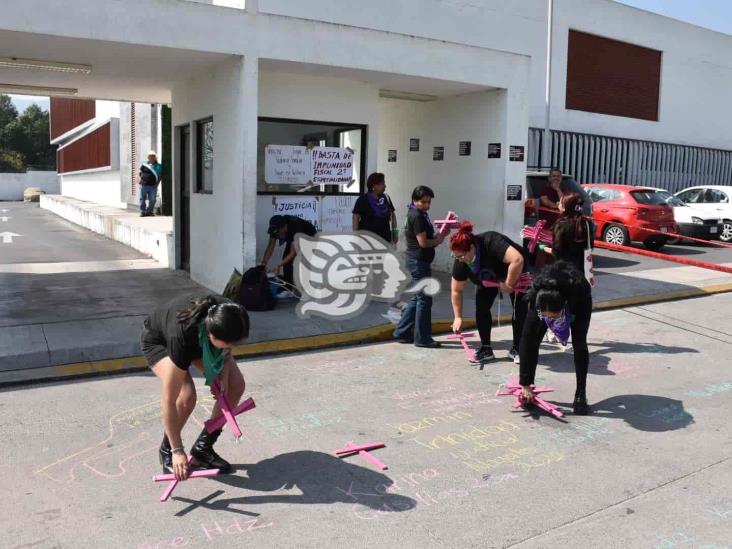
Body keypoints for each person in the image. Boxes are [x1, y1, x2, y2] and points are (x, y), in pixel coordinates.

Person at [141, 294, 250, 480]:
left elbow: (226, 348)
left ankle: (203, 448)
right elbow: (168, 401)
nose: (232, 347)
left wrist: (222, 375)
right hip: (161, 342)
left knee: (235, 386)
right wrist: (178, 451)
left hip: (200, 339)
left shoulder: (230, 314)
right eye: (228, 343)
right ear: (211, 335)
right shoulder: (181, 335)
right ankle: (167, 449)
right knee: (187, 396)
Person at [518, 260, 593, 415]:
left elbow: (579, 340)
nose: (550, 320)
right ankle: (528, 389)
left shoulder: (579, 292)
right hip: (549, 299)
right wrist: (525, 383)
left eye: (554, 317)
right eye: (546, 317)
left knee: (580, 344)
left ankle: (581, 394)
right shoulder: (536, 297)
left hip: (578, 301)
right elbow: (527, 340)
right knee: (532, 337)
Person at [449, 221, 529, 364]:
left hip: (513, 272)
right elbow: (456, 290)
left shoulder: (491, 242)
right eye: (456, 257)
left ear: (472, 248)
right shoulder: (461, 262)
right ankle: (486, 348)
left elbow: (517, 260)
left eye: (461, 256)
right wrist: (458, 317)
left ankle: (518, 348)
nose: (460, 260)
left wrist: (509, 284)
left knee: (519, 309)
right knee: (481, 307)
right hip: (487, 278)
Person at [393, 185, 446, 348]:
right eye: (424, 202)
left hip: (417, 261)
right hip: (418, 262)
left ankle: (402, 331)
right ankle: (422, 338)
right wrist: (438, 240)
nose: (427, 205)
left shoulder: (418, 213)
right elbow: (423, 242)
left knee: (418, 298)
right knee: (424, 299)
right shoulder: (417, 216)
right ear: (415, 200)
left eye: (429, 202)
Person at [539, 192, 593, 272]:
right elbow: (590, 246)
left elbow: (556, 252)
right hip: (582, 270)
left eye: (560, 203)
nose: (558, 205)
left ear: (564, 208)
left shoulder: (561, 225)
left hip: (565, 270)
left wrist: (543, 248)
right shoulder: (586, 223)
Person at [260, 215, 318, 286]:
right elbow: (270, 247)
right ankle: (288, 289)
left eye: (278, 232)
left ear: (284, 227)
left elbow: (292, 253)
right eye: (275, 233)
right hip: (294, 238)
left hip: (310, 238)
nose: (277, 235)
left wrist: (278, 265)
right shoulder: (276, 229)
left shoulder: (295, 228)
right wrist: (263, 264)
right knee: (286, 262)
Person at [352, 172, 398, 244]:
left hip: (385, 240)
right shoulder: (362, 200)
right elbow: (355, 218)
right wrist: (356, 236)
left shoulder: (386, 198)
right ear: (374, 185)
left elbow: (393, 216)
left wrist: (395, 233)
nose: (385, 186)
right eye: (382, 183)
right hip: (367, 241)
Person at [139, 150, 163, 217]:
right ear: (148, 157)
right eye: (150, 156)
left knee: (152, 200)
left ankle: (149, 211)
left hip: (153, 186)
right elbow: (140, 173)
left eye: (153, 156)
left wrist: (157, 184)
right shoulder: (144, 165)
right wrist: (142, 179)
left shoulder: (159, 166)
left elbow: (160, 176)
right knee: (142, 199)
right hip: (143, 185)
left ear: (155, 157)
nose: (151, 157)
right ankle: (142, 211)